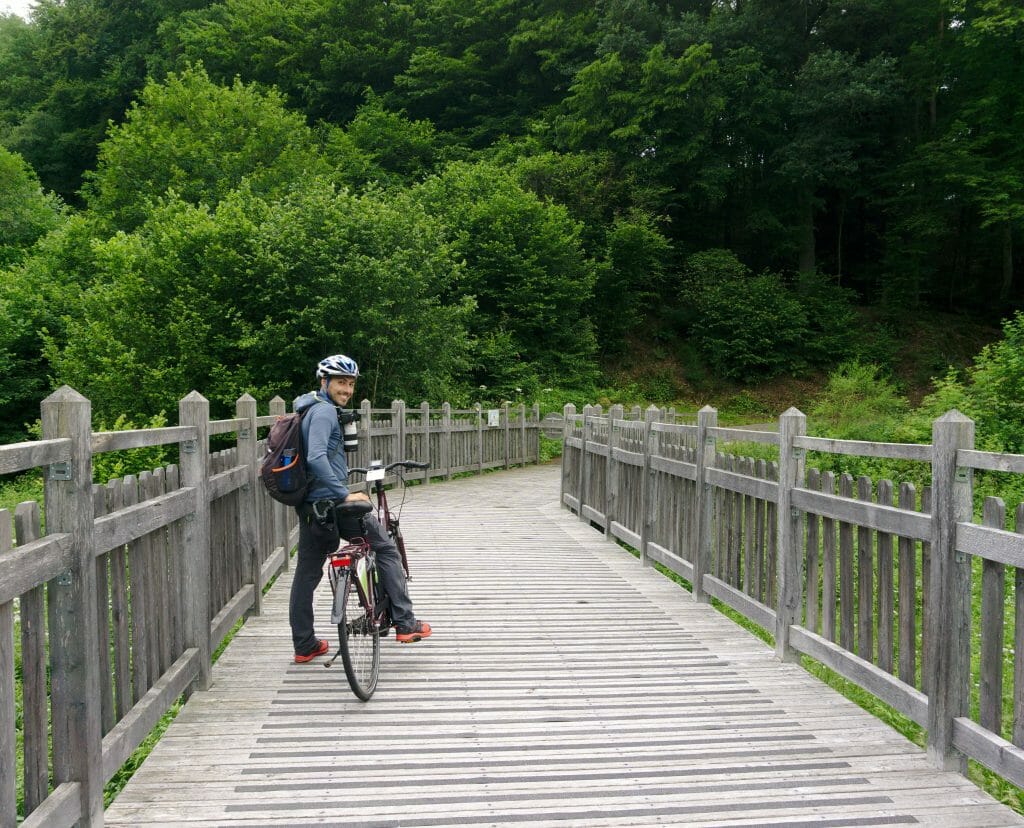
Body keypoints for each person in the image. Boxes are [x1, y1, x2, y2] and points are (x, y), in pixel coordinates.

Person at [288, 354, 432, 662]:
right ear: (324, 382)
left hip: (313, 508)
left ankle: (304, 644)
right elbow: (316, 457)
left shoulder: (308, 409)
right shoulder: (325, 412)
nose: (347, 390)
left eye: (351, 384)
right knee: (386, 548)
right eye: (341, 382)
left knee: (306, 575)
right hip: (334, 503)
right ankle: (406, 623)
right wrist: (344, 493)